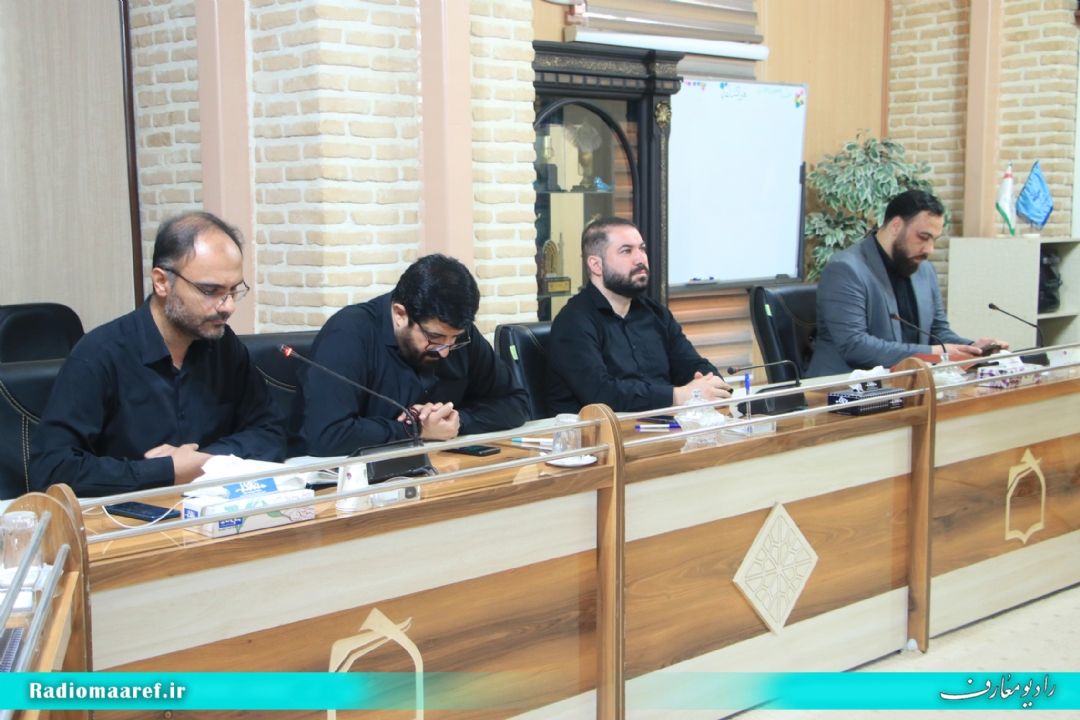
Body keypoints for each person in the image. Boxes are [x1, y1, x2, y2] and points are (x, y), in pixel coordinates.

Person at [30, 212, 285, 497]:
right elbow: (52, 469)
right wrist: (165, 470)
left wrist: (206, 461)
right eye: (210, 290)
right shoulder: (99, 354)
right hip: (122, 518)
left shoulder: (224, 346)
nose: (228, 306)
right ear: (162, 282)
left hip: (210, 509)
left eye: (234, 290)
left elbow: (270, 434)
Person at [300, 253, 529, 456]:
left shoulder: (461, 335)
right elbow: (326, 435)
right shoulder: (348, 333)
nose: (445, 351)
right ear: (400, 314)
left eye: (454, 339)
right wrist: (415, 429)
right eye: (435, 337)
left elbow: (516, 402)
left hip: (443, 471)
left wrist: (455, 421)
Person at [807, 189, 1009, 377]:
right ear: (896, 226)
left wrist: (974, 348)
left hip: (906, 383)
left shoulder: (924, 270)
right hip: (841, 389)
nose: (929, 249)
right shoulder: (846, 269)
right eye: (923, 237)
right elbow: (855, 346)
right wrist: (932, 353)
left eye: (934, 240)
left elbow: (938, 332)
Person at [546, 217, 731, 414]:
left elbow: (690, 363)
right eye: (626, 251)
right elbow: (601, 394)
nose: (640, 259)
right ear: (596, 265)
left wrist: (710, 383)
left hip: (665, 424)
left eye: (642, 249)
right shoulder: (573, 322)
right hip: (603, 430)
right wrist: (677, 396)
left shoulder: (655, 313)